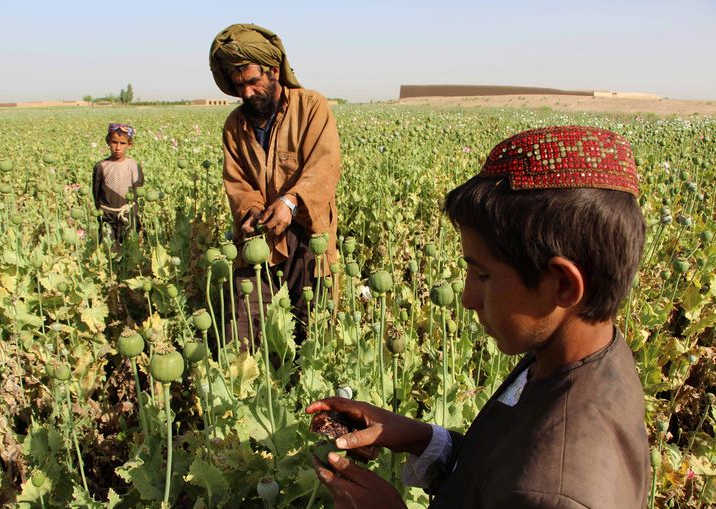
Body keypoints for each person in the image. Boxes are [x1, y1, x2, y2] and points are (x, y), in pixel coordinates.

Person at [307, 125, 651, 508]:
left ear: (563, 286)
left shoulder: (557, 494)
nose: (468, 298)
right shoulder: (570, 356)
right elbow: (496, 472)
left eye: (483, 275)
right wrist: (419, 438)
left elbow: (525, 485)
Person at [209, 24, 340, 344]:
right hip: (259, 241)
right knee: (243, 334)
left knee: (312, 333)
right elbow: (237, 182)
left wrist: (291, 201)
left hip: (309, 239)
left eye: (253, 82)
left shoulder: (311, 107)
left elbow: (324, 167)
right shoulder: (235, 126)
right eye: (239, 85)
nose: (247, 93)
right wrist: (251, 211)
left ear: (273, 71)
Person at [92, 123, 144, 244]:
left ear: (130, 145)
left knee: (130, 248)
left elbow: (137, 193)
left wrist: (131, 213)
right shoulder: (101, 167)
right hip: (107, 216)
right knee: (108, 249)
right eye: (114, 142)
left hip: (128, 216)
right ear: (108, 142)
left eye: (123, 143)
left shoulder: (134, 167)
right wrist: (105, 213)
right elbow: (96, 194)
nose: (118, 148)